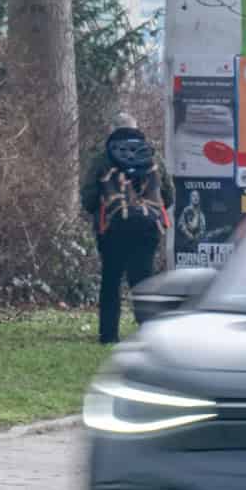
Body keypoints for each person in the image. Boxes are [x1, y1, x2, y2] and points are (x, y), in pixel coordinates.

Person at [81, 112, 173, 344]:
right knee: (142, 281)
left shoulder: (102, 158)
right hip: (147, 228)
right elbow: (168, 194)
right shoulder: (153, 157)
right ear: (136, 128)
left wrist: (97, 211)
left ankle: (108, 335)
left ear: (112, 131)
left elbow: (89, 197)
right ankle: (147, 333)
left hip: (113, 229)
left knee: (111, 279)